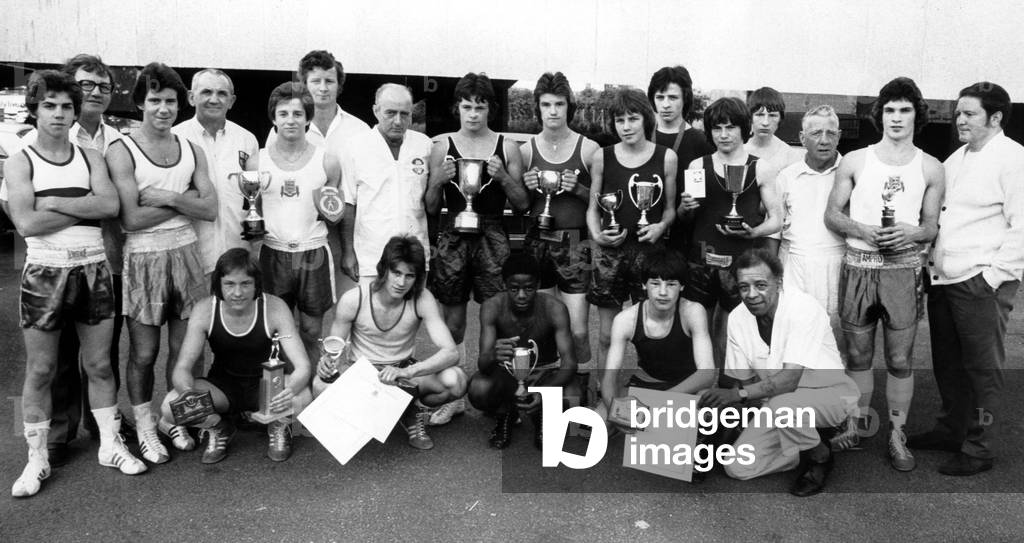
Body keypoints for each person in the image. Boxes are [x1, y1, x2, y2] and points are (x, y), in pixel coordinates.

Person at [7, 71, 145, 497]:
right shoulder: (21, 160)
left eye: (66, 106)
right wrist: (82, 208)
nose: (59, 113)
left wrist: (55, 202)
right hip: (45, 271)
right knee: (42, 368)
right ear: (35, 109)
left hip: (94, 268)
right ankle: (36, 459)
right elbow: (27, 223)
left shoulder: (91, 157)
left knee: (99, 365)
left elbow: (108, 205)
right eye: (49, 105)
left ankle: (109, 444)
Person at [824, 77, 944, 472]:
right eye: (889, 109)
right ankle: (858, 423)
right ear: (880, 115)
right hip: (859, 266)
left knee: (899, 356)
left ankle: (896, 433)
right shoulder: (856, 160)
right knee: (858, 354)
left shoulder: (931, 166)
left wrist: (912, 232)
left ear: (916, 115)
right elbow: (833, 214)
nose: (896, 117)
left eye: (904, 109)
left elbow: (930, 226)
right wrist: (862, 230)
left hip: (902, 271)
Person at [106, 62, 218, 465]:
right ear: (140, 102)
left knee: (185, 350)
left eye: (170, 100)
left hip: (187, 255)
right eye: (154, 100)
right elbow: (131, 218)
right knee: (143, 353)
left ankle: (176, 418)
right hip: (144, 257)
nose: (163, 108)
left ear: (179, 103)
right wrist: (184, 201)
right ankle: (146, 426)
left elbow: (209, 208)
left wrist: (167, 197)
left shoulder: (192, 149)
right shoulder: (121, 149)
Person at [912, 82, 1024, 476]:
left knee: (981, 369)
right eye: (958, 112)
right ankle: (951, 429)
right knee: (948, 364)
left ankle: (979, 448)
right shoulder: (957, 158)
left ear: (995, 118)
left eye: (970, 113)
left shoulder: (1013, 159)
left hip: (981, 283)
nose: (959, 119)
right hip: (944, 279)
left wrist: (993, 278)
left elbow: (1022, 226)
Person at [700, 249, 858, 497]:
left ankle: (820, 454)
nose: (751, 294)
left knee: (782, 405)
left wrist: (736, 395)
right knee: (737, 467)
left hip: (830, 395)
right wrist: (712, 429)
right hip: (777, 405)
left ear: (779, 283)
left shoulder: (803, 308)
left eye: (760, 285)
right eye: (743, 287)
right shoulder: (739, 318)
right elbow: (743, 382)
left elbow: (787, 381)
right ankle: (801, 445)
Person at [424, 72, 528, 423]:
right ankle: (453, 394)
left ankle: (501, 394)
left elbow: (523, 203)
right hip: (453, 235)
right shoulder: (441, 146)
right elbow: (428, 205)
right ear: (457, 108)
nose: (472, 114)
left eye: (479, 107)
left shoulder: (507, 146)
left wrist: (502, 178)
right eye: (466, 106)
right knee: (452, 323)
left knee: (498, 321)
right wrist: (438, 180)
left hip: (493, 235)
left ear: (490, 109)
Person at [159, 249, 312, 463]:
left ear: (256, 284)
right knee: (170, 406)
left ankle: (278, 425)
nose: (238, 292)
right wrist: (188, 393)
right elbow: (183, 367)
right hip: (223, 388)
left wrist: (291, 391)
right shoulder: (205, 310)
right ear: (219, 285)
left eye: (245, 284)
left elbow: (302, 365)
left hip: (265, 387)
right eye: (230, 284)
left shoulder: (275, 307)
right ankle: (218, 427)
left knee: (302, 397)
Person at [313, 236, 466, 450]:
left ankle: (413, 410)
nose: (401, 283)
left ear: (417, 277)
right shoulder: (353, 299)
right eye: (396, 273)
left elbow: (451, 353)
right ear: (383, 269)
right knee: (320, 385)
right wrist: (327, 364)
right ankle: (378, 414)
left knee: (455, 380)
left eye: (409, 276)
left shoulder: (422, 299)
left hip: (402, 373)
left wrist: (410, 371)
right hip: (363, 373)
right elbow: (333, 354)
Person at [680, 97, 782, 367]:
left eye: (730, 127)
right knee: (696, 331)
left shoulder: (760, 167)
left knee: (731, 335)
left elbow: (776, 220)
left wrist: (754, 232)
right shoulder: (697, 166)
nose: (723, 135)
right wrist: (685, 207)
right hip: (701, 259)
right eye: (717, 128)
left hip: (741, 263)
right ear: (709, 131)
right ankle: (700, 391)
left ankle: (729, 391)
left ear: (743, 128)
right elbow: (687, 217)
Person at [518, 72, 599, 406]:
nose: (553, 111)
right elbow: (519, 203)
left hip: (575, 243)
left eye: (559, 104)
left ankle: (581, 392)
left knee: (578, 328)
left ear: (570, 106)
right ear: (538, 108)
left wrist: (577, 188)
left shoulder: (589, 148)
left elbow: (603, 201)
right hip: (538, 241)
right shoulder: (525, 150)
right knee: (542, 326)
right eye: (546, 104)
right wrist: (522, 183)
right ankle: (545, 395)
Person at [586, 88, 677, 375]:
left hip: (649, 254)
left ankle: (650, 392)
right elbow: (592, 208)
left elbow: (671, 209)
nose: (626, 127)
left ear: (645, 120)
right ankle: (605, 394)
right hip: (610, 254)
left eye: (632, 119)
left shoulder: (667, 157)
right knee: (606, 334)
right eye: (620, 120)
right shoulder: (602, 157)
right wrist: (597, 236)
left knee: (649, 333)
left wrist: (661, 226)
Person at [259, 82, 343, 366]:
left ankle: (311, 388)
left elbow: (335, 212)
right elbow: (252, 211)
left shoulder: (327, 161)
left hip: (313, 251)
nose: (290, 120)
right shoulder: (257, 161)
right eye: (283, 114)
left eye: (297, 113)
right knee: (274, 331)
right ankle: (277, 390)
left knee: (310, 330)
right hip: (273, 251)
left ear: (308, 118)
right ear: (274, 118)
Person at [775, 105, 850, 412]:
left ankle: (836, 414)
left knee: (835, 340)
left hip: (838, 264)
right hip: (794, 263)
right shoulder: (786, 177)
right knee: (792, 339)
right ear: (801, 137)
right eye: (816, 133)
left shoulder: (852, 171)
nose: (824, 139)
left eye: (831, 132)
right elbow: (775, 230)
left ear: (840, 136)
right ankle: (789, 411)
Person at [468, 253, 579, 449]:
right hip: (507, 373)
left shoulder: (555, 308)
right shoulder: (492, 307)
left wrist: (544, 392)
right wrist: (493, 355)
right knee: (479, 389)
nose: (521, 295)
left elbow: (569, 363)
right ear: (504, 284)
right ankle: (506, 413)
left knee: (573, 396)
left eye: (528, 288)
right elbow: (484, 366)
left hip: (544, 371)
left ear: (537, 285)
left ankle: (543, 417)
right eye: (514, 288)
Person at [599, 246, 715, 417]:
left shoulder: (693, 312)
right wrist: (615, 412)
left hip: (687, 385)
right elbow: (609, 376)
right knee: (601, 419)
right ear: (643, 285)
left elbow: (707, 374)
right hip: (647, 382)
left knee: (706, 413)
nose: (662, 292)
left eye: (671, 284)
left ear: (682, 286)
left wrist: (659, 402)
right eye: (655, 283)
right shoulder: (625, 320)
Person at [340, 83, 431, 287]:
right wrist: (348, 252)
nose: (398, 121)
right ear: (376, 111)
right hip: (371, 257)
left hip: (414, 258)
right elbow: (348, 202)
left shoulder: (424, 145)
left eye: (404, 114)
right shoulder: (355, 146)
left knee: (411, 317)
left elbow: (429, 200)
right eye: (390, 113)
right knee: (369, 317)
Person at [172, 68, 260, 273]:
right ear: (191, 97)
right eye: (206, 92)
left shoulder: (247, 140)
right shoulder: (175, 139)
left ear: (232, 101)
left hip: (238, 256)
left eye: (222, 94)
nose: (214, 99)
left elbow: (254, 201)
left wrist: (255, 248)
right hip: (191, 256)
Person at [646, 66, 714, 250]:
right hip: (643, 232)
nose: (666, 104)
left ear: (685, 99)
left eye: (673, 97)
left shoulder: (701, 142)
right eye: (660, 97)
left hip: (683, 238)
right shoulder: (640, 137)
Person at [743, 87, 805, 186]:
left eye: (772, 115)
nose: (765, 122)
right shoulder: (738, 151)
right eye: (759, 115)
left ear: (780, 119)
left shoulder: (791, 156)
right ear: (750, 117)